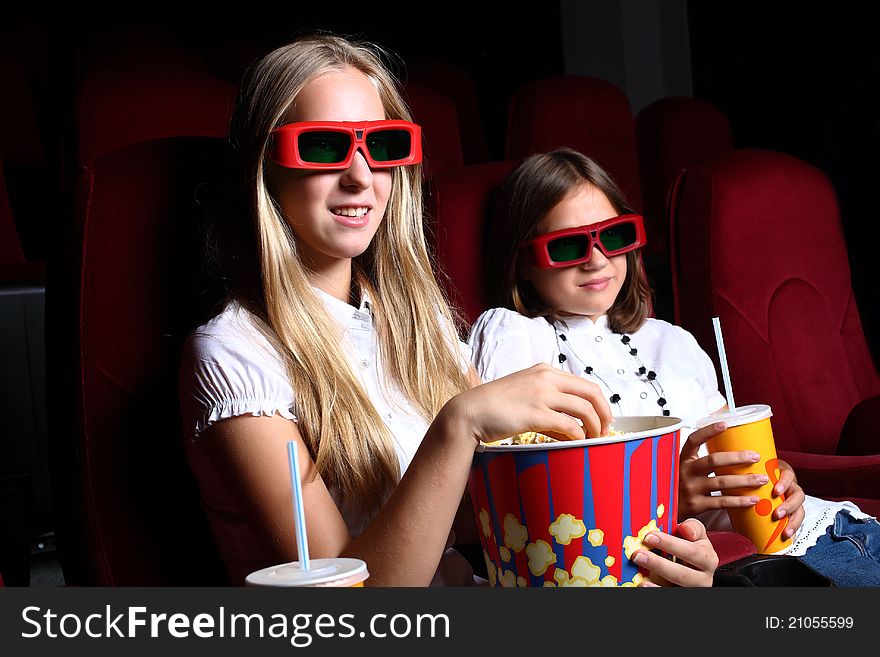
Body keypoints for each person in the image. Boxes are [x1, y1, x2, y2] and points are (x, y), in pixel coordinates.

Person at [178, 34, 718, 587]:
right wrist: (460, 423)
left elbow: (509, 516)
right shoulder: (235, 354)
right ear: (265, 166)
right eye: (321, 146)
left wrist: (659, 538)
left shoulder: (418, 319)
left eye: (384, 146)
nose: (361, 176)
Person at [468, 148, 880, 587]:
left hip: (824, 534)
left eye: (614, 236)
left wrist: (782, 484)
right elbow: (516, 490)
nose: (596, 259)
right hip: (727, 569)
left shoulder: (673, 340)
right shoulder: (515, 336)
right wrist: (669, 500)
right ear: (524, 263)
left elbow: (735, 449)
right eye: (568, 245)